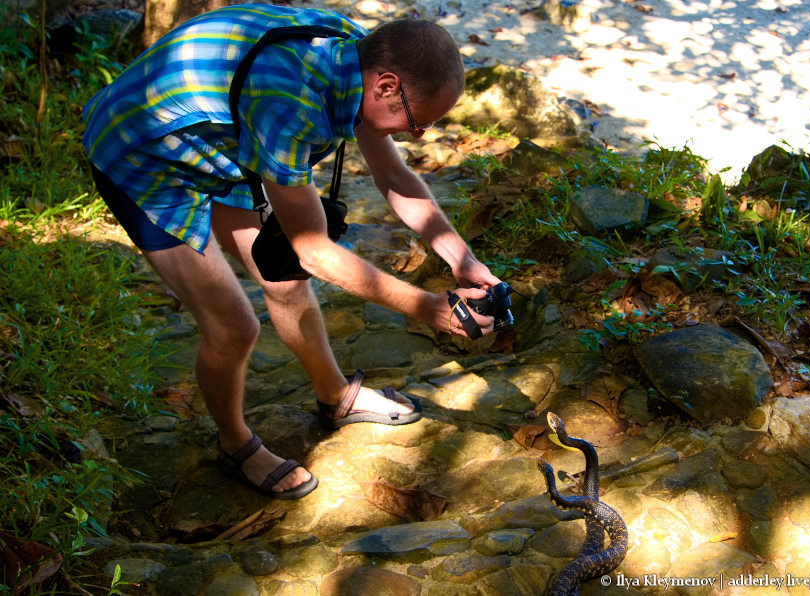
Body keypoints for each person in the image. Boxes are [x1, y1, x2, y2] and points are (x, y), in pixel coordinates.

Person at [82, 4, 500, 500]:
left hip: (224, 141)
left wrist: (461, 258)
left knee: (282, 280)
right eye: (417, 121)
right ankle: (235, 443)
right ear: (386, 85)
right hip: (144, 152)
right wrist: (427, 306)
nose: (417, 135)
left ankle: (335, 395)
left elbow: (392, 176)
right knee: (234, 327)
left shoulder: (353, 55)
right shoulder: (290, 103)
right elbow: (314, 251)